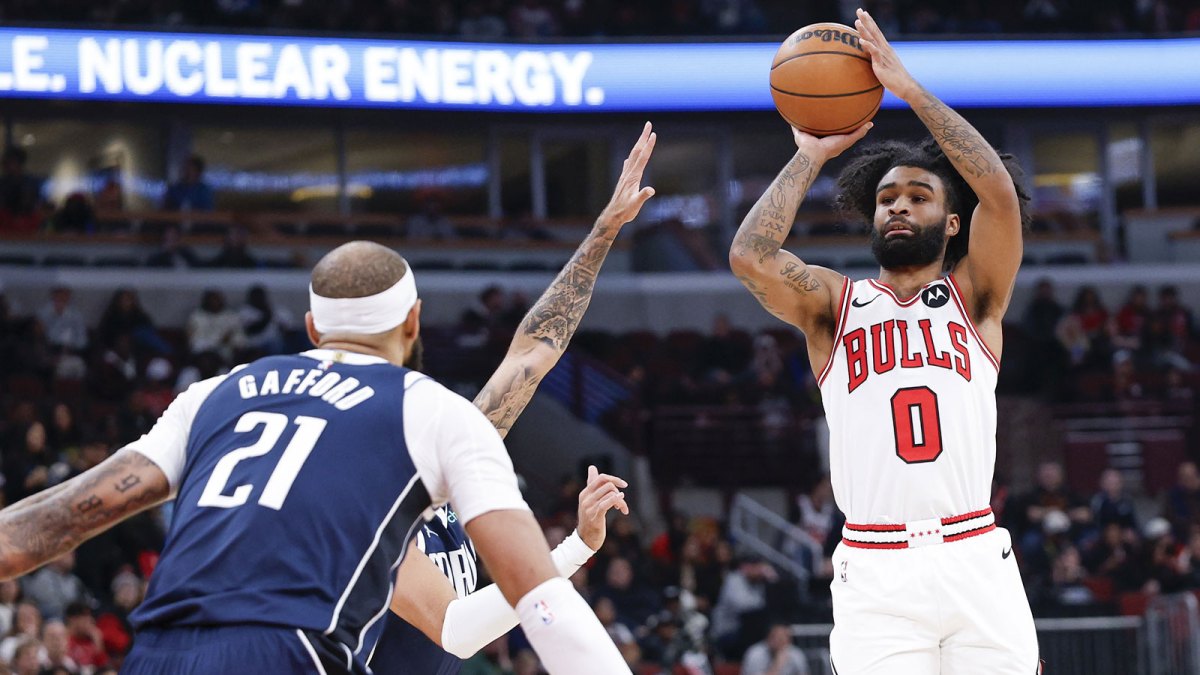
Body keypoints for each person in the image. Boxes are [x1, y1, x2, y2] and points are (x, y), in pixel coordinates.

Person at [0, 248, 632, 673]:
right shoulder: (429, 414)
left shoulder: (216, 394)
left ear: (311, 327)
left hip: (161, 651)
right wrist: (575, 548)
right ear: (414, 322)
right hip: (289, 649)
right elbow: (541, 604)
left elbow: (41, 529)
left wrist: (601, 235)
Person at [729, 9, 1038, 673]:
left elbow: (1001, 197)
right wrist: (808, 154)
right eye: (886, 197)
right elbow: (751, 257)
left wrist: (912, 92)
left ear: (952, 222)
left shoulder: (976, 296)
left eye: (918, 195)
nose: (897, 205)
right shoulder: (834, 304)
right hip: (875, 564)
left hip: (973, 552)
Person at [370, 121, 658, 675]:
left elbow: (533, 352)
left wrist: (603, 230)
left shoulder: (448, 464)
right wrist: (575, 548)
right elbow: (456, 629)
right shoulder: (375, 511)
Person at [741, 623, 809, 675]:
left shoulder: (796, 653)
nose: (779, 641)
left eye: (784, 638)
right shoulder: (755, 653)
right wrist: (777, 665)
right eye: (777, 637)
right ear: (768, 637)